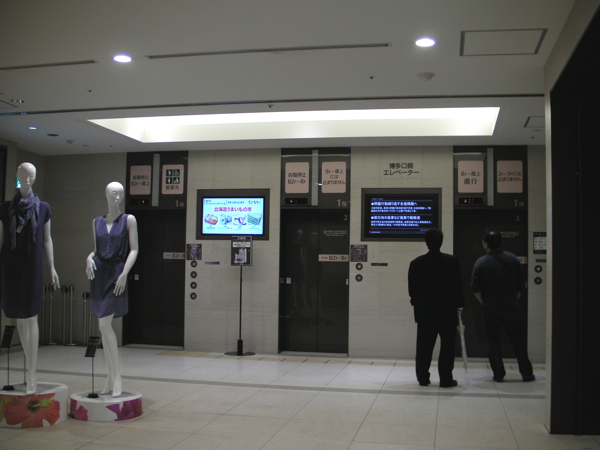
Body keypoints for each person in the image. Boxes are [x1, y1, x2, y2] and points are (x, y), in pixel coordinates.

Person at [0, 162, 60, 394]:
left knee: (31, 316)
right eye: (24, 175)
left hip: (33, 267)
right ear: (17, 175)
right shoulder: (5, 208)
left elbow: (47, 239)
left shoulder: (43, 208)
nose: (28, 179)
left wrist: (52, 266)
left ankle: (32, 373)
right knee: (19, 317)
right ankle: (28, 370)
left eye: (32, 175)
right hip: (11, 267)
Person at [86, 182, 138, 397]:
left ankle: (117, 377)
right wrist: (88, 257)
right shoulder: (96, 222)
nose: (117, 197)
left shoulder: (129, 220)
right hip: (99, 274)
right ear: (106, 194)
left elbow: (134, 249)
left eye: (121, 194)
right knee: (102, 326)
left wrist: (124, 273)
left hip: (116, 273)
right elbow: (97, 250)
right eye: (113, 193)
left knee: (105, 325)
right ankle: (110, 378)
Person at [471, 229, 535, 382]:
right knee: (518, 341)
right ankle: (526, 373)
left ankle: (499, 374)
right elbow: (520, 285)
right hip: (510, 306)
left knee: (493, 342)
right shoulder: (513, 259)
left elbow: (475, 287)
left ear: (485, 244)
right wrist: (514, 300)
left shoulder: (481, 262)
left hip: (490, 307)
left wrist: (484, 302)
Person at [408, 228, 464, 387]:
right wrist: (460, 305)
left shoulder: (416, 263)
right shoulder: (451, 261)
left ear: (426, 243)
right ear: (441, 242)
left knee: (424, 346)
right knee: (447, 346)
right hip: (447, 311)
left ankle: (423, 377)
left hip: (425, 312)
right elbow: (457, 286)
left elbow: (412, 290)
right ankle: (446, 379)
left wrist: (417, 303)